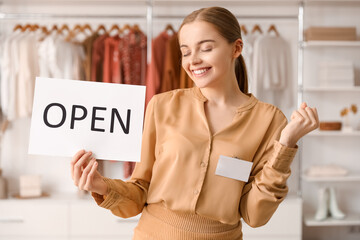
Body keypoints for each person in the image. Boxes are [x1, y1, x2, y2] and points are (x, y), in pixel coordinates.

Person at [70, 7, 319, 240]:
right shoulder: (162, 106)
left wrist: (286, 145)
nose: (193, 60)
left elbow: (255, 215)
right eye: (186, 52)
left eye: (206, 48)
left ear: (236, 48)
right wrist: (101, 185)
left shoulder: (269, 120)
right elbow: (139, 191)